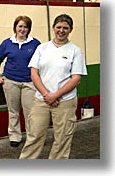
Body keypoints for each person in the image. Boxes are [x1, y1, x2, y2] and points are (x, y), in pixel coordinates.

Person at [19, 14, 87, 159]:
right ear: (53, 28)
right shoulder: (42, 48)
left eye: (65, 28)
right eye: (59, 27)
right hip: (41, 100)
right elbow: (34, 74)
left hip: (65, 102)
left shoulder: (75, 51)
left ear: (70, 30)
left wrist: (55, 96)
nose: (61, 30)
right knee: (34, 136)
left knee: (62, 139)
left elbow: (76, 79)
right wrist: (47, 95)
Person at [0, 15, 41, 147]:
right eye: (20, 26)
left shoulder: (35, 43)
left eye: (25, 26)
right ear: (15, 27)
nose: (22, 29)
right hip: (10, 81)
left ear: (29, 29)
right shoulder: (7, 43)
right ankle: (15, 136)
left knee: (30, 112)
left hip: (29, 83)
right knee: (13, 111)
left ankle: (32, 138)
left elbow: (42, 62)